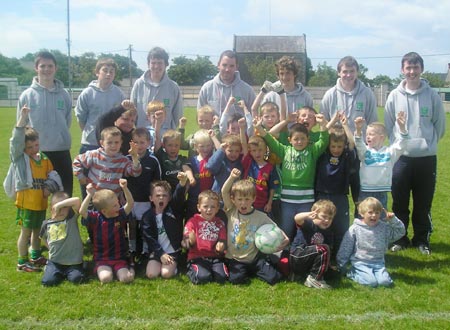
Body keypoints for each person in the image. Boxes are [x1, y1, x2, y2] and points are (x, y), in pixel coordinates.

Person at [385, 52, 446, 255]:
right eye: (408, 68)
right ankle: (400, 239)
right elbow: (388, 125)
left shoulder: (433, 95)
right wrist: (400, 147)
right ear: (402, 70)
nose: (412, 71)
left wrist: (426, 145)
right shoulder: (394, 96)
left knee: (423, 202)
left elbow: (440, 126)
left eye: (415, 67)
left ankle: (421, 239)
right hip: (401, 159)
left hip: (426, 159)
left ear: (421, 69)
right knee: (399, 201)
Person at [254, 114, 331, 241]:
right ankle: (285, 254)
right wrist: (259, 128)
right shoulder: (284, 151)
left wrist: (323, 124)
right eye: (296, 139)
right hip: (287, 200)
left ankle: (304, 253)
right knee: (286, 229)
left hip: (306, 199)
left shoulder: (312, 151)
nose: (299, 142)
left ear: (308, 139)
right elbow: (270, 140)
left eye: (302, 139)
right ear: (290, 140)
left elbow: (324, 141)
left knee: (306, 229)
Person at [320, 55, 378, 210]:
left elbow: (372, 123)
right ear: (339, 72)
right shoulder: (330, 94)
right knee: (336, 194)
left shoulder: (367, 94)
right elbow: (322, 124)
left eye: (352, 71)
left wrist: (369, 147)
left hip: (358, 152)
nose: (348, 75)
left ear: (357, 72)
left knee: (361, 195)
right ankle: (335, 228)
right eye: (345, 71)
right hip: (335, 152)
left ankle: (363, 229)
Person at [11, 106, 61, 272]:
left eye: (36, 145)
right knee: (25, 232)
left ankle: (35, 255)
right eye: (30, 147)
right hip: (27, 202)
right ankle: (22, 262)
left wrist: (49, 187)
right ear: (23, 148)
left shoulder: (44, 158)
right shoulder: (20, 158)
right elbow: (16, 140)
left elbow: (52, 175)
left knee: (37, 231)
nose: (34, 149)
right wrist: (22, 118)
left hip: (41, 202)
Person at [17, 51, 73, 196]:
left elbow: (67, 120)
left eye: (50, 66)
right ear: (36, 68)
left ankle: (67, 220)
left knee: (64, 193)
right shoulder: (27, 95)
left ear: (56, 68)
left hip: (61, 151)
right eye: (42, 66)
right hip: (36, 152)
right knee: (37, 196)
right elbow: (22, 125)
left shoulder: (64, 95)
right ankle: (37, 220)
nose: (46, 69)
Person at [222, 169, 289, 285]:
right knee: (236, 280)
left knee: (274, 278)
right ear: (233, 200)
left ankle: (270, 261)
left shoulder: (261, 216)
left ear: (253, 199)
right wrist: (232, 177)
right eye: (240, 200)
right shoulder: (231, 211)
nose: (243, 203)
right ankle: (244, 271)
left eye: (247, 199)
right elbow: (224, 191)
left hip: (254, 259)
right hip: (235, 259)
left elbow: (275, 227)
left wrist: (286, 238)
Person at [337, 197, 405, 287]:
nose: (374, 215)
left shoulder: (383, 227)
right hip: (361, 263)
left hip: (378, 263)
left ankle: (375, 275)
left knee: (385, 282)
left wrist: (393, 220)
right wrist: (342, 265)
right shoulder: (355, 228)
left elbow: (400, 232)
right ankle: (352, 273)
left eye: (377, 213)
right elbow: (346, 247)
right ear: (362, 213)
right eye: (370, 212)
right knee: (371, 283)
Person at [315, 113, 357, 255]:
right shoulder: (323, 154)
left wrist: (345, 124)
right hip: (323, 195)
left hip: (340, 196)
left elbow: (352, 143)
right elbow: (324, 134)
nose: (336, 149)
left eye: (339, 146)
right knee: (323, 225)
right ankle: (323, 252)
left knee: (340, 226)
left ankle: (339, 254)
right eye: (333, 146)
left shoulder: (346, 155)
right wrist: (331, 122)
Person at [79, 179, 135, 284]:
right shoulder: (96, 218)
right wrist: (90, 195)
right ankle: (104, 270)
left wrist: (125, 188)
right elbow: (82, 211)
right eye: (114, 206)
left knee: (126, 279)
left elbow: (130, 203)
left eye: (117, 203)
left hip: (119, 257)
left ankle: (130, 267)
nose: (118, 206)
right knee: (106, 279)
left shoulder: (120, 214)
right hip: (102, 259)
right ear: (104, 211)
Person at [354, 113, 408, 209]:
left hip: (382, 192)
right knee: (364, 217)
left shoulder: (389, 152)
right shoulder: (365, 151)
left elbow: (402, 144)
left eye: (371, 134)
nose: (368, 137)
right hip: (366, 191)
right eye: (366, 134)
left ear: (381, 137)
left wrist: (402, 128)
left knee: (381, 219)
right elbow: (358, 143)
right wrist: (358, 129)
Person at [141, 174, 188, 279]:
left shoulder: (174, 211)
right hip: (157, 252)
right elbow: (149, 238)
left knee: (166, 274)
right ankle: (159, 262)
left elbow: (179, 196)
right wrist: (161, 254)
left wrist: (182, 184)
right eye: (157, 196)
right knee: (151, 274)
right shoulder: (147, 216)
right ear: (151, 198)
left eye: (164, 195)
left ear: (169, 198)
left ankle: (175, 266)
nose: (161, 198)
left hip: (172, 252)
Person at [125, 127, 161, 263]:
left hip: (146, 201)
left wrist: (154, 199)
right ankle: (132, 250)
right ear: (131, 143)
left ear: (148, 143)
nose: (139, 146)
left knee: (145, 226)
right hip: (131, 201)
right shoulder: (126, 159)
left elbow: (157, 182)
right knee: (132, 226)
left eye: (142, 142)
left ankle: (146, 251)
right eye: (136, 142)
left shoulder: (153, 160)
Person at [75, 58, 125, 152]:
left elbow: (122, 118)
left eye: (111, 71)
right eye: (105, 70)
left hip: (112, 144)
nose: (108, 74)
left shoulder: (119, 94)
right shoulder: (87, 93)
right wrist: (91, 134)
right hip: (90, 144)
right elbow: (81, 119)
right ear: (97, 72)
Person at [73, 126, 142, 196]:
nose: (113, 145)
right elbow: (77, 161)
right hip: (94, 197)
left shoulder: (123, 160)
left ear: (121, 143)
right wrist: (81, 176)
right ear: (102, 143)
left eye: (116, 142)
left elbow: (135, 173)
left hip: (112, 199)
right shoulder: (94, 155)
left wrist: (135, 158)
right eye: (109, 142)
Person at [131, 47, 183, 132]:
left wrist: (170, 131)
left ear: (166, 64)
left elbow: (178, 114)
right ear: (148, 64)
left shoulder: (173, 87)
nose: (156, 66)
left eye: (160, 63)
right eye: (153, 63)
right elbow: (132, 110)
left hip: (165, 137)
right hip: (142, 137)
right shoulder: (139, 84)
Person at [182, 190, 228, 284]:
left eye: (212, 207)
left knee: (222, 278)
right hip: (197, 257)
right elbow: (185, 242)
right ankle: (192, 270)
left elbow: (222, 240)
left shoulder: (219, 223)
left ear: (217, 208)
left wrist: (221, 246)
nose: (209, 210)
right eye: (205, 206)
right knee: (203, 278)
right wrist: (190, 241)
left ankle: (213, 270)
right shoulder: (192, 222)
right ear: (199, 207)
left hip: (215, 258)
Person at [40, 192, 85, 286]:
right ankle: (51, 269)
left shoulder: (71, 219)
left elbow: (77, 200)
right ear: (50, 208)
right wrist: (50, 249)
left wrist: (59, 205)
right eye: (57, 208)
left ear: (69, 208)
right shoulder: (46, 224)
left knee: (77, 279)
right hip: (55, 262)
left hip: (73, 262)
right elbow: (43, 238)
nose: (60, 211)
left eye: (64, 207)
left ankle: (82, 267)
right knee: (48, 282)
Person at [290, 200, 337, 289]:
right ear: (314, 215)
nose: (327, 220)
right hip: (298, 255)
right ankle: (314, 279)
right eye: (324, 216)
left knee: (332, 274)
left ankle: (301, 275)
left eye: (330, 218)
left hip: (309, 261)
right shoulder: (309, 224)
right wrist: (307, 215)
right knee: (323, 248)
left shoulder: (328, 232)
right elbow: (297, 218)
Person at [197, 50, 256, 118]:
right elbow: (200, 116)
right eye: (224, 65)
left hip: (239, 128)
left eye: (231, 66)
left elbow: (253, 116)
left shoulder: (247, 90)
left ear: (236, 67)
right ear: (218, 65)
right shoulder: (207, 88)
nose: (227, 69)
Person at [240, 125, 280, 217]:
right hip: (247, 203)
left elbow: (272, 187)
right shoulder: (249, 162)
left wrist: (269, 203)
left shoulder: (270, 167)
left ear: (265, 150)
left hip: (262, 205)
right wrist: (242, 128)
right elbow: (244, 144)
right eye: (254, 150)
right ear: (250, 151)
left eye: (260, 150)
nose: (257, 153)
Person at [153, 111, 195, 192]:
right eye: (170, 145)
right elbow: (157, 137)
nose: (173, 148)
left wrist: (191, 178)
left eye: (176, 146)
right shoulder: (162, 156)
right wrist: (157, 123)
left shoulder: (182, 159)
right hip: (164, 192)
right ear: (163, 145)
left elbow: (186, 169)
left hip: (178, 192)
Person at [185, 129, 215, 220]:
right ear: (195, 146)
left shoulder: (214, 160)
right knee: (191, 220)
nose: (205, 149)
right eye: (202, 146)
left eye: (208, 145)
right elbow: (185, 166)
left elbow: (221, 151)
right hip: (194, 199)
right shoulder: (192, 160)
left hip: (210, 200)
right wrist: (190, 177)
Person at [206, 133, 243, 198]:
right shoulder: (221, 160)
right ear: (224, 150)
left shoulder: (240, 162)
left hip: (234, 197)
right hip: (218, 196)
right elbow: (210, 167)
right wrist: (220, 151)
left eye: (237, 151)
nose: (233, 154)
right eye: (230, 151)